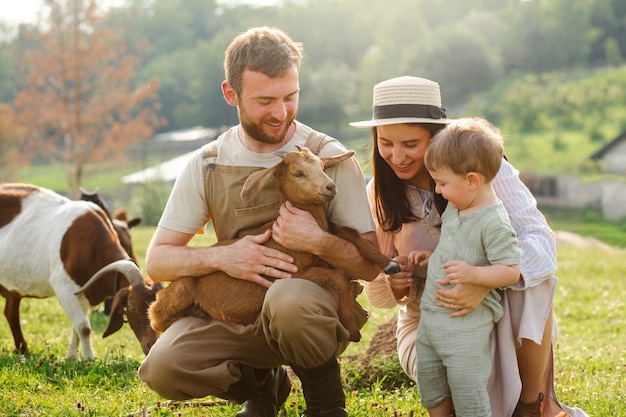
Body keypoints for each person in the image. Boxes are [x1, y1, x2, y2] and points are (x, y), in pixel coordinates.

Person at [138, 26, 381, 417]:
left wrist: (318, 242)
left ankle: (326, 405)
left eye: (290, 97)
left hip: (309, 309)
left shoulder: (329, 157)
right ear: (230, 94)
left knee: (288, 300)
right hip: (237, 308)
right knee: (163, 368)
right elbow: (158, 260)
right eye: (265, 100)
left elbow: (370, 267)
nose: (281, 112)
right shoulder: (208, 164)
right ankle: (263, 384)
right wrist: (223, 258)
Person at [350, 76, 589, 417]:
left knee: (533, 280)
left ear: (435, 137)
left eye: (410, 144)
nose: (396, 156)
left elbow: (541, 244)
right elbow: (379, 295)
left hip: (494, 312)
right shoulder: (380, 193)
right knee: (451, 380)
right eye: (386, 143)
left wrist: (482, 280)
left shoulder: (482, 168)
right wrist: (394, 283)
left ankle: (529, 407)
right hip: (427, 317)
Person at [409, 117, 522, 417]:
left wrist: (475, 276)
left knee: (468, 394)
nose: (439, 191)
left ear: (472, 180)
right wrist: (429, 255)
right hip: (431, 320)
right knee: (431, 388)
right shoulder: (458, 207)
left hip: (464, 329)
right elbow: (454, 246)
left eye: (443, 183)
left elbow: (510, 270)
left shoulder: (494, 222)